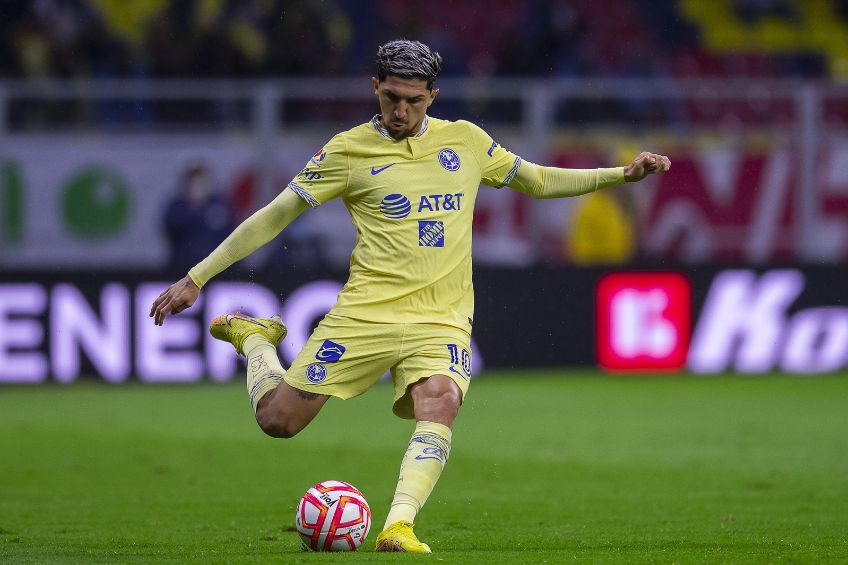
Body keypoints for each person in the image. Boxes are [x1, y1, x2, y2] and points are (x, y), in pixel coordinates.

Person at [149, 39, 671, 553]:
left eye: (413, 101)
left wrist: (622, 175)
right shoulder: (347, 151)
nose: (401, 111)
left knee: (440, 402)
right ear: (374, 86)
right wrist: (197, 277)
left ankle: (398, 526)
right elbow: (276, 214)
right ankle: (257, 341)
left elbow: (536, 180)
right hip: (366, 313)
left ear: (433, 95)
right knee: (278, 422)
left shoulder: (465, 142)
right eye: (390, 97)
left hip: (440, 318)